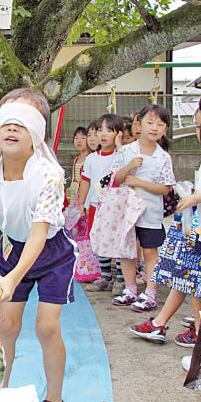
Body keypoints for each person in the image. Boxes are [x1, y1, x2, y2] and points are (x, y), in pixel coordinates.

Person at [0, 88, 75, 402]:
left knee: (46, 327)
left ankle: (54, 399)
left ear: (38, 133)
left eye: (23, 121)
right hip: (12, 249)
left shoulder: (49, 174)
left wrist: (12, 278)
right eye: (7, 121)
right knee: (6, 325)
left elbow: (39, 234)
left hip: (52, 253)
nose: (13, 128)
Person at [128, 85, 201, 345]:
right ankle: (170, 325)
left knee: (196, 279)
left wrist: (193, 197)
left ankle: (199, 333)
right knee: (186, 276)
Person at [110, 104, 176, 311]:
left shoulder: (163, 157)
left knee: (150, 253)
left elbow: (166, 189)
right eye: (150, 122)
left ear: (165, 129)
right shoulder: (126, 151)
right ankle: (130, 290)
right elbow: (114, 179)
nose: (154, 127)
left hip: (150, 212)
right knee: (127, 251)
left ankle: (151, 293)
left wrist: (140, 183)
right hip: (126, 211)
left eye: (160, 124)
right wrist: (130, 167)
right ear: (139, 124)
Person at [77, 114, 123, 293]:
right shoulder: (91, 159)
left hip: (117, 207)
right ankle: (104, 277)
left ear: (118, 134)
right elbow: (85, 181)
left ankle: (120, 279)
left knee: (117, 242)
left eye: (109, 130)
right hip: (96, 205)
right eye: (99, 130)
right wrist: (82, 203)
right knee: (98, 241)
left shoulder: (122, 156)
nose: (103, 134)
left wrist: (120, 148)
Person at [66, 126, 89, 206]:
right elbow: (74, 178)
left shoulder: (90, 159)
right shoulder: (76, 159)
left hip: (84, 195)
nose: (79, 141)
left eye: (83, 138)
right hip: (74, 194)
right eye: (76, 138)